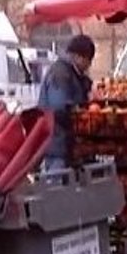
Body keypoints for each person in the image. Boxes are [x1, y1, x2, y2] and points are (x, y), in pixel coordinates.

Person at [38, 35, 95, 172]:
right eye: (89, 60)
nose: (89, 65)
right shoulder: (60, 74)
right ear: (79, 57)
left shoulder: (71, 73)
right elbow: (59, 108)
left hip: (63, 144)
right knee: (57, 186)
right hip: (57, 144)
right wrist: (80, 111)